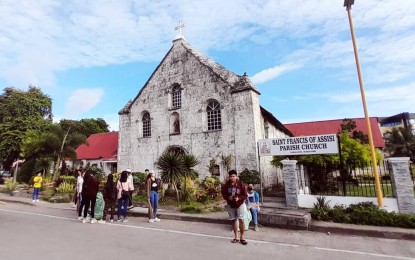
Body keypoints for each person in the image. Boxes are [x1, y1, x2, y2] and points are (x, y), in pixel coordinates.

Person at [221, 169, 248, 245]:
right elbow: (223, 194)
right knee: (233, 220)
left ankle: (242, 237)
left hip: (240, 205)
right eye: (231, 176)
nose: (232, 178)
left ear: (236, 176)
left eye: (233, 176)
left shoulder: (241, 185)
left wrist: (239, 198)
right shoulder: (226, 185)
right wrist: (227, 198)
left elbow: (245, 195)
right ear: (229, 177)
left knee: (241, 220)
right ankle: (236, 237)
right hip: (230, 205)